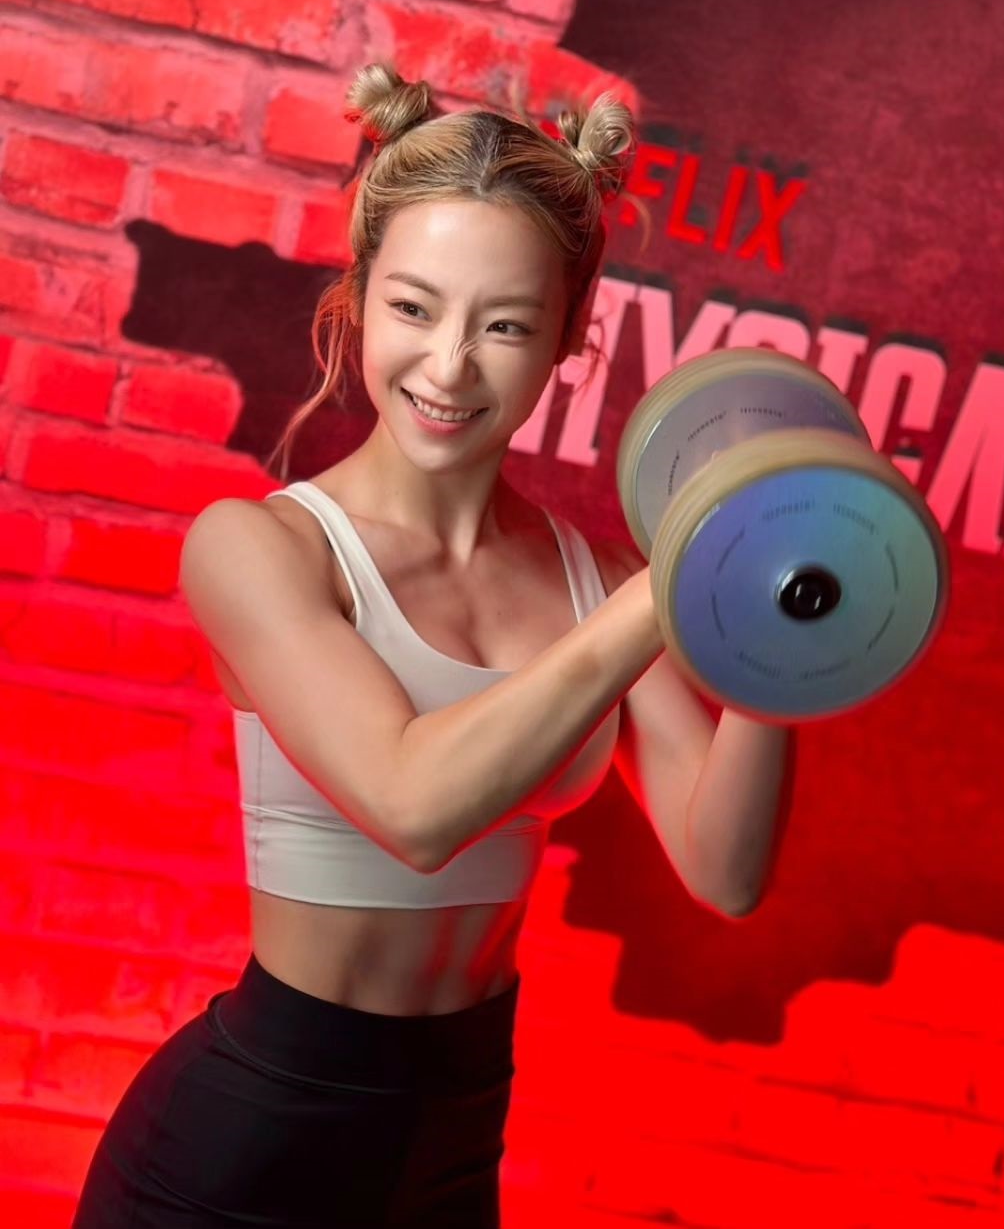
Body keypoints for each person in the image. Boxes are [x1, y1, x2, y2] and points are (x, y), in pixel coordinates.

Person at [73, 63, 793, 1228]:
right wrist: (674, 581)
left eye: (505, 325)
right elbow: (414, 809)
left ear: (571, 336)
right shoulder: (261, 549)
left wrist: (779, 635)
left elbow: (728, 873)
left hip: (455, 1147)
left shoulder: (598, 582)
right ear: (359, 297)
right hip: (242, 1154)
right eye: (413, 308)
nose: (449, 366)